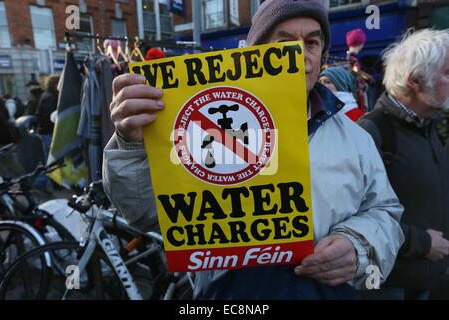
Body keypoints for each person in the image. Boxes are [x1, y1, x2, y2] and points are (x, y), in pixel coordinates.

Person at [103, 0, 404, 299]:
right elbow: (143, 213)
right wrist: (131, 144)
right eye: (283, 43)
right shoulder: (201, 126)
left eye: (311, 42)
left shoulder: (355, 137)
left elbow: (384, 212)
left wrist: (359, 245)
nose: (300, 57)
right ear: (256, 55)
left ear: (322, 54)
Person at [358, 28, 449, 300]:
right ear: (416, 81)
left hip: (431, 278)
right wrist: (420, 243)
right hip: (391, 286)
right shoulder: (373, 131)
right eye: (447, 73)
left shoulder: (428, 124)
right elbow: (355, 221)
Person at [34, 75, 60, 193]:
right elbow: (50, 117)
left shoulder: (46, 94)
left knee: (51, 159)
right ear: (55, 85)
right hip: (48, 131)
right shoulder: (50, 97)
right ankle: (40, 181)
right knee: (52, 160)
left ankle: (55, 183)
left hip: (44, 131)